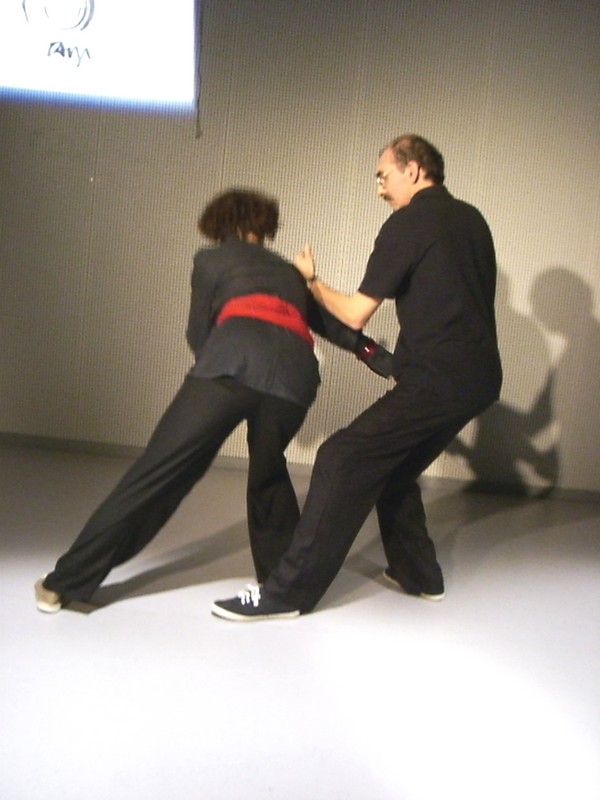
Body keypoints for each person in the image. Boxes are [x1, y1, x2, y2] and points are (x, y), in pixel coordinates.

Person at [35, 189, 393, 613]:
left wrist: (217, 368)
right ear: (264, 226)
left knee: (158, 472)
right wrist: (383, 359)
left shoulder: (211, 259)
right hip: (295, 379)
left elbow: (197, 332)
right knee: (268, 472)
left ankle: (66, 582)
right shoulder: (289, 272)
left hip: (231, 365)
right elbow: (332, 327)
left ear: (219, 223)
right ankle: (282, 586)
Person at [211, 135, 503, 621]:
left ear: (413, 171)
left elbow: (353, 313)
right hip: (480, 380)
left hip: (436, 380)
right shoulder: (472, 219)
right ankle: (419, 574)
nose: (380, 188)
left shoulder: (408, 223)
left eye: (383, 176)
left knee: (340, 457)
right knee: (395, 470)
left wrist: (311, 281)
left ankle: (285, 594)